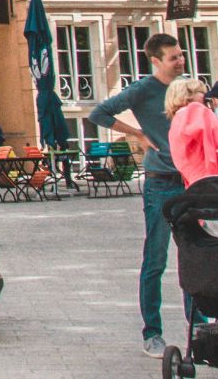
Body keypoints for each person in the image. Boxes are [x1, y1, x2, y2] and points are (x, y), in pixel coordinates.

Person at [88, 31, 188, 357]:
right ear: (156, 61)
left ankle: (200, 327)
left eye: (182, 55)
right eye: (174, 58)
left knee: (194, 255)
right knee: (156, 259)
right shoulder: (145, 89)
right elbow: (99, 113)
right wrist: (138, 134)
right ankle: (152, 333)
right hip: (160, 182)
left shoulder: (186, 87)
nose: (181, 61)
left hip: (191, 180)